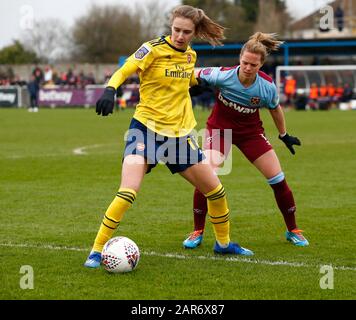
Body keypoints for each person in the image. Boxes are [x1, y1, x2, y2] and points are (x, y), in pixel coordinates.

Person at [84, 5, 253, 269]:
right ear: (170, 27)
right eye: (176, 30)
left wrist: (205, 85)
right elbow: (124, 70)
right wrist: (110, 89)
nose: (180, 36)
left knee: (216, 191)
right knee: (128, 191)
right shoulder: (151, 49)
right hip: (146, 130)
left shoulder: (190, 57)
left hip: (179, 137)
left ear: (194, 32)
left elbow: (185, 82)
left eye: (186, 32)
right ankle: (95, 251)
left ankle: (223, 244)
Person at [183, 32, 309, 250]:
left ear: (261, 65)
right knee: (207, 175)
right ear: (239, 59)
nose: (248, 68)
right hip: (219, 130)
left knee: (278, 179)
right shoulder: (222, 76)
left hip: (251, 134)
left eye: (253, 65)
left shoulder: (266, 87)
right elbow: (189, 75)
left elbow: (275, 109)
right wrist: (189, 85)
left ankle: (293, 230)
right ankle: (198, 230)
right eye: (245, 63)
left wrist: (283, 134)